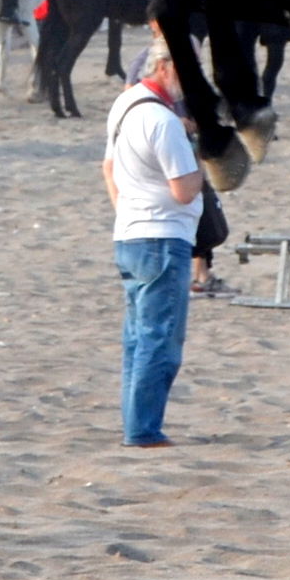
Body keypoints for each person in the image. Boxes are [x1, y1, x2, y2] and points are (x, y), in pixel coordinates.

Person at [102, 31, 205, 449]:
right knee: (159, 339)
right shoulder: (163, 121)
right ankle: (143, 429)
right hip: (163, 237)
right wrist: (204, 163)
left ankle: (136, 423)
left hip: (131, 233)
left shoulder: (125, 103)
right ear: (164, 67)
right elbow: (184, 189)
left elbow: (107, 169)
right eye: (185, 70)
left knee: (137, 337)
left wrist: (126, 209)